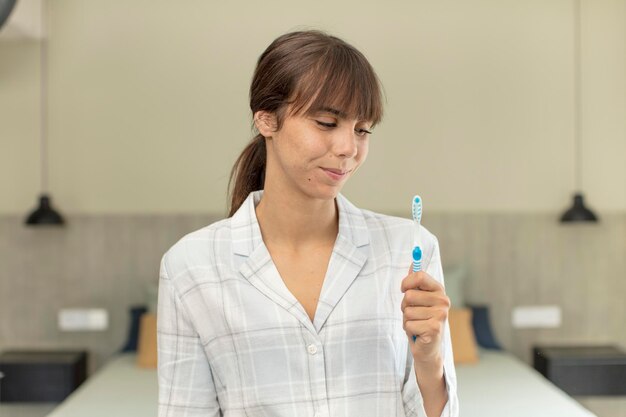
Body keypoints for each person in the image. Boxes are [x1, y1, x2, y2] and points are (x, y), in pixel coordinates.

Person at [157, 29, 459, 417]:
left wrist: (430, 358)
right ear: (267, 120)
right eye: (327, 122)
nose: (349, 148)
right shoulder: (191, 267)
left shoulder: (409, 250)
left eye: (362, 130)